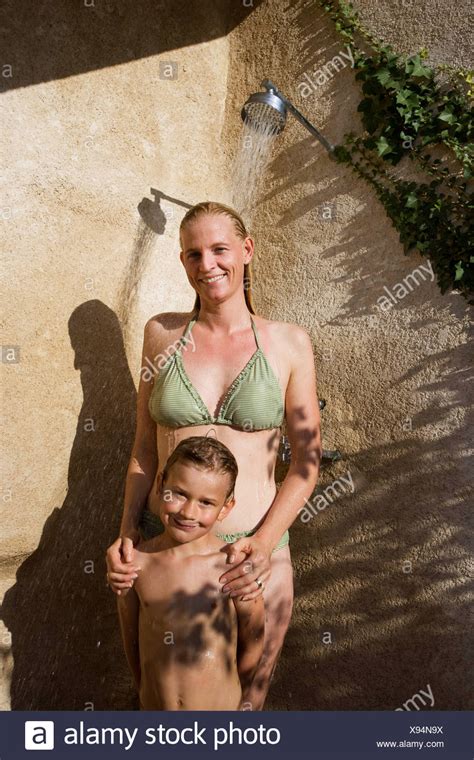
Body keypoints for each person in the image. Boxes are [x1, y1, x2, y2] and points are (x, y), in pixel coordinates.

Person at [107, 200, 322, 709]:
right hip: (170, 554)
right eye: (192, 254)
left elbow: (306, 463)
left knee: (245, 711)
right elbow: (143, 449)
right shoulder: (160, 334)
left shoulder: (288, 342)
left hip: (253, 559)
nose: (207, 265)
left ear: (246, 251)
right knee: (161, 703)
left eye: (219, 249)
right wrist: (127, 532)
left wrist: (265, 544)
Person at [117, 436, 265, 710]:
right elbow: (132, 642)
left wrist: (236, 702)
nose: (188, 512)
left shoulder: (232, 568)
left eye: (206, 502)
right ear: (161, 485)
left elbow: (254, 640)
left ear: (226, 508)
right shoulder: (136, 563)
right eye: (180, 494)